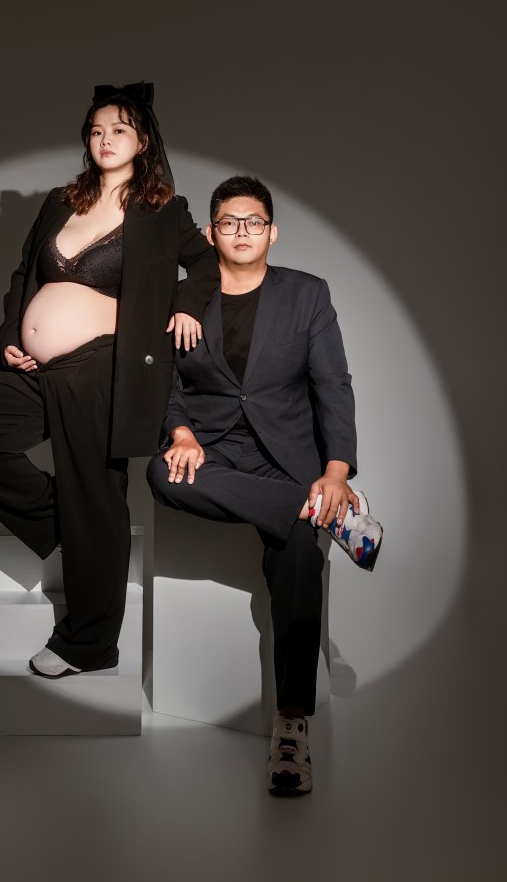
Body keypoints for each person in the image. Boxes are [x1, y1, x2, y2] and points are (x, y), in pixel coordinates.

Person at [0, 82, 219, 679]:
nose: (105, 139)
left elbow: (204, 265)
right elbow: (24, 274)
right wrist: (11, 333)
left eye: (119, 129)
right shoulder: (60, 202)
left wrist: (187, 307)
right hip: (37, 367)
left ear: (143, 141)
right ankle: (70, 527)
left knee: (94, 491)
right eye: (96, 130)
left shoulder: (163, 210)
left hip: (103, 365)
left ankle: (88, 645)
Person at [146, 175, 383, 795]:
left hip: (286, 454)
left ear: (272, 232)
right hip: (213, 450)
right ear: (211, 234)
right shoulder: (183, 298)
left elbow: (333, 384)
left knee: (299, 553)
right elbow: (163, 381)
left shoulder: (307, 294)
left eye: (254, 222)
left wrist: (336, 471)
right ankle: (315, 509)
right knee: (160, 473)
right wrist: (181, 432)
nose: (242, 232)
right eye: (229, 222)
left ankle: (292, 723)